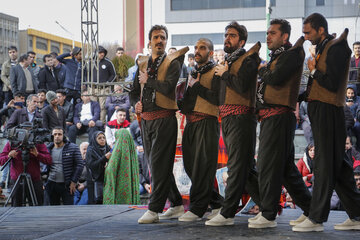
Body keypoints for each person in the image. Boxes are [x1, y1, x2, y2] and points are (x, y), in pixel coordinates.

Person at [293, 12, 360, 232]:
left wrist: (313, 68)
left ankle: (317, 218)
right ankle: (357, 215)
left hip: (329, 111)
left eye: (308, 32)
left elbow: (330, 83)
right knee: (338, 167)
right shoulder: (323, 48)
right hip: (320, 110)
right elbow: (318, 85)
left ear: (321, 29)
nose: (305, 36)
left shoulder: (337, 47)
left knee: (324, 164)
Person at [249, 19, 312, 229]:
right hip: (272, 116)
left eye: (272, 33)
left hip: (278, 116)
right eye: (267, 33)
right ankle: (312, 210)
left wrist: (260, 67)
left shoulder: (292, 54)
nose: (268, 37)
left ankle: (268, 214)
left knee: (267, 165)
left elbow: (274, 78)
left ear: (284, 36)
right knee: (285, 169)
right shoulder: (278, 56)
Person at [205, 22, 262, 226]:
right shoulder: (229, 61)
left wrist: (225, 74)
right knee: (246, 168)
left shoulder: (249, 58)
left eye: (232, 35)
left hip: (241, 118)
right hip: (229, 118)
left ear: (242, 41)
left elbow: (241, 85)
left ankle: (228, 212)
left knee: (237, 166)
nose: (227, 38)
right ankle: (268, 208)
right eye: (226, 35)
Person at [130, 25, 187, 224]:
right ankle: (177, 204)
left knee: (159, 164)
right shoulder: (143, 62)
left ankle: (154, 209)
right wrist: (134, 104)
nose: (160, 40)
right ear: (150, 41)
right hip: (146, 120)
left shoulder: (173, 62)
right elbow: (133, 90)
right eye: (156, 37)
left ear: (166, 41)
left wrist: (150, 80)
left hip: (165, 119)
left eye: (163, 37)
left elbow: (169, 86)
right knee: (156, 166)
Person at [177, 38, 223, 222]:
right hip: (191, 122)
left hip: (207, 122)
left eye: (202, 48)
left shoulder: (216, 71)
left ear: (210, 53)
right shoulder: (193, 71)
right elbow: (188, 101)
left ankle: (197, 208)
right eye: (196, 48)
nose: (197, 50)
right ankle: (218, 203)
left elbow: (218, 98)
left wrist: (196, 86)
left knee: (202, 168)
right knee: (190, 167)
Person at [0, 138, 51, 206]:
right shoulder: (12, 143)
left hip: (34, 181)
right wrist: (8, 156)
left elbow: (48, 160)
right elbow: (1, 161)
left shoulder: (37, 142)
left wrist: (37, 154)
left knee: (37, 209)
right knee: (16, 208)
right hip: (17, 181)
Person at [46, 127, 83, 205]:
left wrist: (73, 181)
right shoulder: (48, 148)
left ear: (63, 136)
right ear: (52, 136)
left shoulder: (73, 147)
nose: (57, 136)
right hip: (51, 183)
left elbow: (80, 165)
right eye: (55, 134)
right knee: (53, 209)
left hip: (67, 185)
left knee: (69, 209)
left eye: (59, 134)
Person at [103, 129, 140, 204]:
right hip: (129, 186)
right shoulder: (132, 151)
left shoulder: (117, 150)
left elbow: (110, 169)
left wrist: (106, 165)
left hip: (118, 189)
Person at [92, 46, 116, 123]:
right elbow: (85, 73)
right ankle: (93, 123)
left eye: (103, 53)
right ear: (96, 53)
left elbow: (113, 74)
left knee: (102, 107)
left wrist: (108, 82)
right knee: (93, 106)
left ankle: (101, 124)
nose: (102, 54)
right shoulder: (90, 62)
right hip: (93, 88)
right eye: (100, 53)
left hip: (104, 88)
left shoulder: (108, 62)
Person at [86, 131, 111, 204]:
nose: (102, 139)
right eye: (99, 138)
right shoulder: (91, 150)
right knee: (97, 202)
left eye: (104, 137)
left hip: (107, 179)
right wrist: (104, 158)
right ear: (94, 140)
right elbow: (92, 165)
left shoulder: (108, 148)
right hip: (95, 180)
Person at [129, 113, 150, 195]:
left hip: (148, 146)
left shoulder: (149, 123)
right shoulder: (133, 125)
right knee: (138, 153)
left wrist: (146, 147)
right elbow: (133, 138)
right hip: (139, 146)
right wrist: (137, 146)